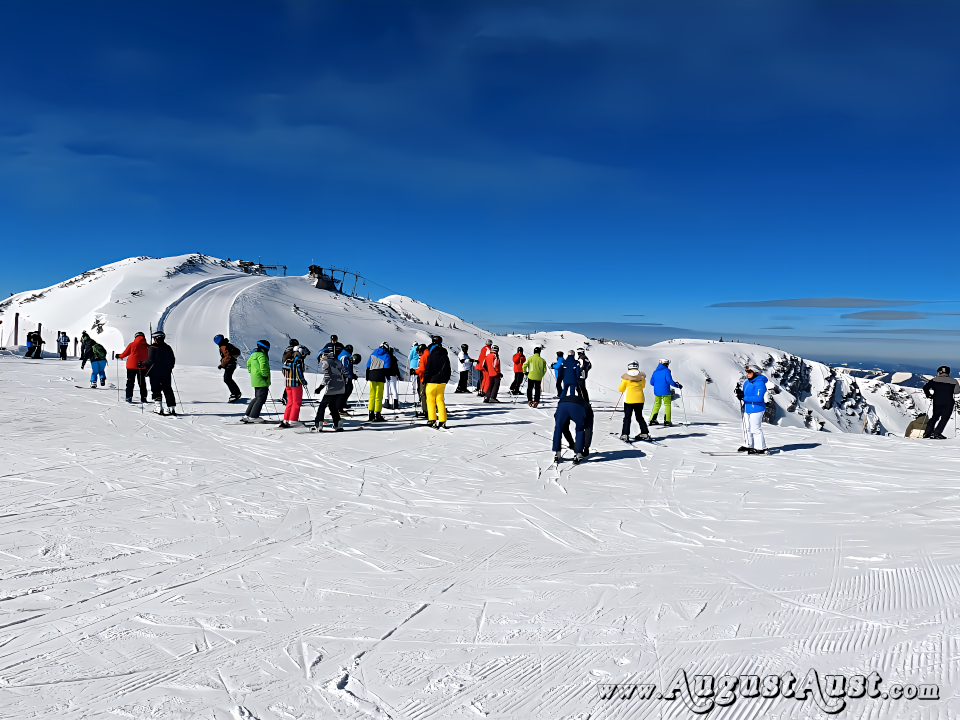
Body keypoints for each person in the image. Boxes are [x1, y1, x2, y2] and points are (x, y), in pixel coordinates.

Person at [735, 365, 768, 453]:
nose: (747, 374)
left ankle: (761, 448)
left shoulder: (760, 383)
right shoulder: (747, 382)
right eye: (747, 372)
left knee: (755, 428)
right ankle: (748, 445)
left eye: (750, 372)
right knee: (747, 427)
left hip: (757, 408)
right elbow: (745, 393)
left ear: (755, 373)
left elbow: (759, 398)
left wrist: (744, 397)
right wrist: (740, 393)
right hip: (747, 408)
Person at [552, 394, 594, 464]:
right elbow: (588, 429)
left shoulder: (586, 406)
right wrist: (586, 447)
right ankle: (578, 454)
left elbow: (563, 426)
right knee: (579, 429)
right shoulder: (589, 410)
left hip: (562, 404)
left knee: (558, 427)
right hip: (578, 407)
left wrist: (571, 443)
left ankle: (557, 452)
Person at [922, 366, 960, 440]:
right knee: (944, 418)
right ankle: (937, 433)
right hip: (948, 402)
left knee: (935, 417)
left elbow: (925, 388)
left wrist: (929, 395)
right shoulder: (954, 381)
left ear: (939, 372)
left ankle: (927, 433)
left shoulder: (934, 380)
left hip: (937, 401)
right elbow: (956, 391)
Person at [313, 348, 346, 431]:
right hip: (341, 386)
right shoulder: (337, 360)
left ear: (322, 355)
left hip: (332, 387)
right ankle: (338, 423)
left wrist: (320, 387)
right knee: (332, 405)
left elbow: (327, 377)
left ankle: (318, 423)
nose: (320, 360)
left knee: (322, 405)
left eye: (319, 358)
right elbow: (345, 372)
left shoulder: (325, 362)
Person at [422, 336, 451, 428]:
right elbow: (449, 370)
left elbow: (427, 370)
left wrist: (425, 380)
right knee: (440, 401)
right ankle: (442, 420)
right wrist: (446, 380)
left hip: (431, 381)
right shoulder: (445, 356)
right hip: (442, 382)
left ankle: (432, 419)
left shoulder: (430, 357)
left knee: (430, 401)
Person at [145, 331, 177, 415]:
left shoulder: (152, 348)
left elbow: (150, 360)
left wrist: (142, 363)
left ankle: (158, 407)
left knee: (156, 389)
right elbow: (172, 359)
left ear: (155, 339)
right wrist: (169, 368)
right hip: (166, 372)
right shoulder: (167, 347)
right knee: (167, 388)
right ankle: (171, 407)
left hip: (154, 372)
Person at [279, 345, 309, 428]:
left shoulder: (287, 360)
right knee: (297, 403)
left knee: (290, 402)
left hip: (288, 384)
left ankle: (286, 419)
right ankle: (293, 420)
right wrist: (303, 381)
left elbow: (283, 371)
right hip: (295, 384)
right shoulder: (297, 360)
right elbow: (299, 372)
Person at [618, 361, 649, 441]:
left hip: (629, 400)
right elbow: (643, 386)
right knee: (639, 416)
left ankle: (625, 434)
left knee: (627, 417)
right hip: (640, 399)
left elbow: (620, 389)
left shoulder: (626, 378)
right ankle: (644, 433)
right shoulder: (641, 377)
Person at [242, 340, 271, 423]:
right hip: (262, 379)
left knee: (257, 398)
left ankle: (247, 414)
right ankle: (253, 416)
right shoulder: (262, 355)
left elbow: (248, 364)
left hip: (255, 379)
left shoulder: (253, 354)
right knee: (261, 399)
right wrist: (265, 375)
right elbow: (264, 366)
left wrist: (253, 373)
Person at [117, 332, 149, 404]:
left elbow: (125, 354)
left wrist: (119, 356)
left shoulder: (132, 344)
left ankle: (129, 397)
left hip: (131, 366)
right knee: (142, 382)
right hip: (142, 366)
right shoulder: (147, 346)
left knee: (130, 381)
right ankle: (143, 398)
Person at [649, 358, 681, 426]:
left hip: (657, 392)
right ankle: (667, 421)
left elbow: (651, 383)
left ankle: (652, 420)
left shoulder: (655, 372)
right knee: (667, 405)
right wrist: (677, 385)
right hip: (666, 391)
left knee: (656, 405)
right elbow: (669, 380)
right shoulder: (667, 370)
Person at [365, 343, 393, 422]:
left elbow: (368, 365)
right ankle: (377, 414)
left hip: (371, 375)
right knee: (378, 396)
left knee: (372, 395)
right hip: (380, 375)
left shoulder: (373, 353)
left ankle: (371, 414)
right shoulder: (387, 355)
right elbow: (387, 368)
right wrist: (388, 376)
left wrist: (367, 376)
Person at [214, 334, 242, 402]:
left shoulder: (223, 346)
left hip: (230, 364)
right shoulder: (226, 344)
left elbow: (227, 356)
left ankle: (235, 393)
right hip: (231, 363)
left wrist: (222, 365)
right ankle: (236, 393)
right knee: (227, 379)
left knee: (227, 379)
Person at [337, 344, 357, 414]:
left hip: (344, 376)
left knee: (346, 390)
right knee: (345, 391)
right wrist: (349, 375)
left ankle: (342, 405)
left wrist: (352, 375)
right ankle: (339, 408)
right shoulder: (345, 356)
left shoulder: (343, 355)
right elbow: (344, 368)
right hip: (345, 377)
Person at [385, 345, 402, 411]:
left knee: (386, 388)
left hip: (386, 375)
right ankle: (395, 403)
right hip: (393, 375)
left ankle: (387, 402)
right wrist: (398, 374)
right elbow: (396, 368)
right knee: (394, 389)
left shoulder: (386, 357)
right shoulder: (394, 358)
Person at [408, 341, 422, 407]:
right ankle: (417, 388)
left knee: (412, 377)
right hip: (418, 365)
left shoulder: (412, 349)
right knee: (417, 377)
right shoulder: (419, 349)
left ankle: (413, 388)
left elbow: (409, 357)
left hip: (412, 364)